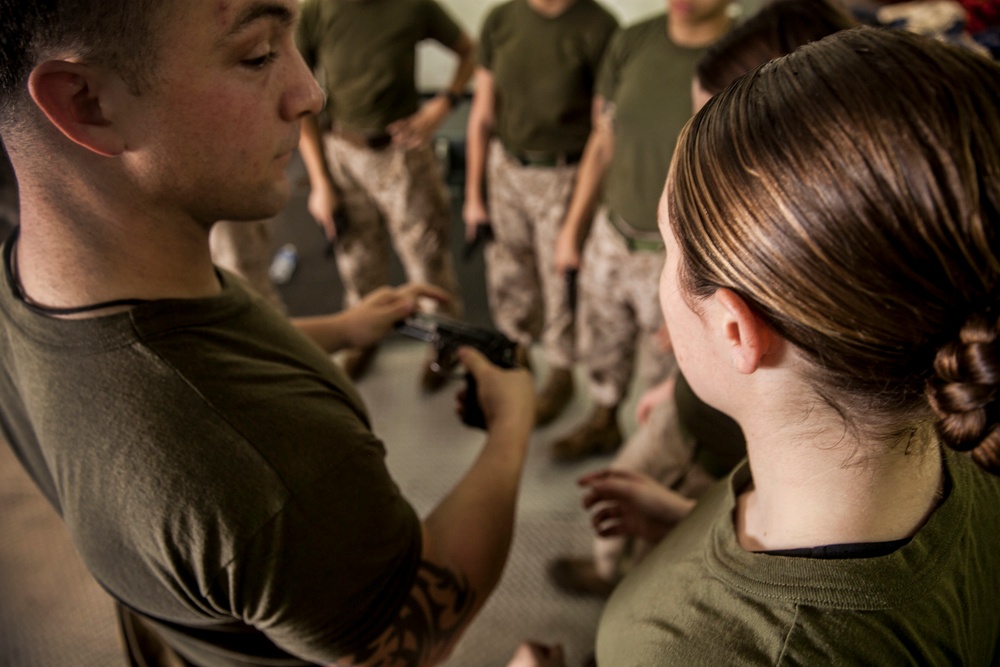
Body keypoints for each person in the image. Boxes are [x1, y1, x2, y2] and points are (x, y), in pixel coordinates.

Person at [0, 2, 535, 666]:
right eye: (257, 55)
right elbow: (403, 638)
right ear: (86, 101)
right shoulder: (270, 473)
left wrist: (343, 325)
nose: (310, 92)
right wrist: (511, 431)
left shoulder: (35, 274)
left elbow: (210, 348)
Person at [563, 27, 1000, 665]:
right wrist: (685, 523)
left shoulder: (682, 651)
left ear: (738, 331)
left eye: (669, 252)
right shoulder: (962, 419)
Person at [548, 0, 853, 601]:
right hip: (700, 408)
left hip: (711, 442)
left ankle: (628, 587)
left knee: (674, 547)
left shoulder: (776, 261)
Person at [548, 0, 736, 462]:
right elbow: (603, 138)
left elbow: (746, 184)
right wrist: (573, 229)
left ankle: (653, 456)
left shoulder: (745, 55)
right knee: (602, 343)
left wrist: (704, 281)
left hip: (680, 254)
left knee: (669, 379)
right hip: (612, 234)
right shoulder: (633, 40)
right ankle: (602, 420)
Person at [296, 0, 475, 390]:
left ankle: (442, 341)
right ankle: (363, 337)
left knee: (428, 264)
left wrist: (442, 107)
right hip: (342, 153)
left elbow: (468, 50)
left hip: (403, 154)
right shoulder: (318, 10)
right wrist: (320, 182)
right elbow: (299, 97)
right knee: (358, 261)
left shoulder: (413, 4)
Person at [463, 0, 618, 426]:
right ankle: (516, 357)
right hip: (506, 168)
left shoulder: (599, 26)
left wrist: (576, 219)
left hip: (563, 175)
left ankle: (562, 372)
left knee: (560, 281)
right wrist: (473, 195)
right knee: (508, 272)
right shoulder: (501, 19)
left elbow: (603, 132)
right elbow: (481, 116)